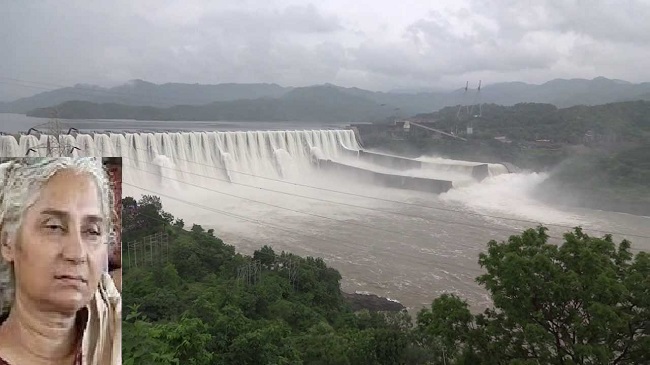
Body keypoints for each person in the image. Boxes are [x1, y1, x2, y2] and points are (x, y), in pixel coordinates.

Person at [0, 157, 121, 365]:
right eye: (54, 227)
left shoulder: (115, 335)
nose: (76, 253)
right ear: (8, 242)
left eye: (92, 231)